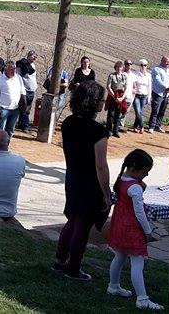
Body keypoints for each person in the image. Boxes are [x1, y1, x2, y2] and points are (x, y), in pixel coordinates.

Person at [55, 81, 112, 281]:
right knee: (83, 225)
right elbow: (101, 166)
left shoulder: (68, 123)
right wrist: (107, 193)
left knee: (72, 220)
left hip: (72, 176)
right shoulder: (98, 131)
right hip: (90, 181)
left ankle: (60, 261)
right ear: (94, 102)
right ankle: (73, 268)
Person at [106, 149, 163, 311]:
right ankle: (142, 298)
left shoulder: (122, 181)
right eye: (145, 171)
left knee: (120, 255)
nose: (146, 175)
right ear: (134, 169)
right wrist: (148, 231)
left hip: (119, 225)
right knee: (137, 262)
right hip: (132, 228)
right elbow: (140, 212)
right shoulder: (135, 188)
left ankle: (113, 285)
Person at [0, 61, 26, 137]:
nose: (13, 71)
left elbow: (22, 90)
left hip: (15, 109)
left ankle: (5, 146)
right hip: (3, 109)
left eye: (14, 69)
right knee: (0, 131)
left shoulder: (18, 78)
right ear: (6, 69)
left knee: (10, 130)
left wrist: (23, 102)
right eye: (11, 69)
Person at [148, 56, 169, 133]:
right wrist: (166, 87)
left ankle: (157, 126)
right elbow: (157, 80)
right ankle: (151, 126)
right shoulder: (156, 69)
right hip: (158, 93)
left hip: (166, 94)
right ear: (162, 61)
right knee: (155, 110)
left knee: (162, 110)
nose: (168, 63)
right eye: (166, 61)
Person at [106, 60, 130, 137]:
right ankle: (109, 130)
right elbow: (108, 87)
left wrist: (122, 98)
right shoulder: (111, 76)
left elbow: (126, 88)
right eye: (117, 67)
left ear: (122, 68)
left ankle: (115, 131)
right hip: (112, 96)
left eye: (120, 67)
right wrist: (114, 97)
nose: (119, 68)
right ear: (115, 67)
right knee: (111, 114)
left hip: (121, 96)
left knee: (118, 114)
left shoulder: (125, 76)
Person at [16, 50, 37, 132]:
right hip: (24, 90)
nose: (34, 57)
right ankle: (24, 126)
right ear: (28, 56)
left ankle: (21, 124)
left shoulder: (33, 66)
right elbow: (19, 76)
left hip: (32, 90)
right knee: (23, 108)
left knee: (28, 108)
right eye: (32, 56)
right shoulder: (22, 64)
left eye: (35, 56)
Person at [131, 60, 152, 133]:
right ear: (139, 66)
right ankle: (142, 126)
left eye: (145, 65)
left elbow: (149, 87)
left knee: (140, 111)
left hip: (144, 96)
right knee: (138, 111)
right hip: (136, 95)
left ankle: (135, 126)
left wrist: (149, 98)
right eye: (142, 65)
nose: (143, 67)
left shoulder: (149, 75)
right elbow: (133, 84)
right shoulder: (135, 74)